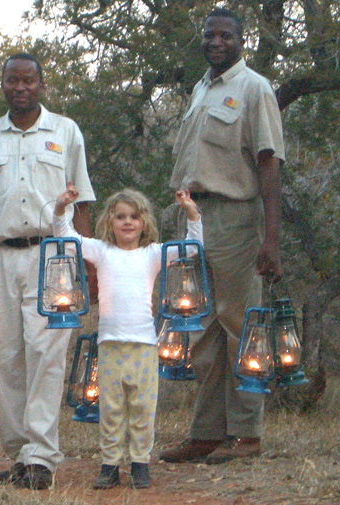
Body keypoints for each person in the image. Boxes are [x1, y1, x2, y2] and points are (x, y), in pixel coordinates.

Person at [0, 52, 95, 490]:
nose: (20, 88)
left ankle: (41, 457)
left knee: (46, 352)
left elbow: (82, 202)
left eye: (28, 80)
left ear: (41, 84)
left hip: (53, 255)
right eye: (12, 80)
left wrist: (86, 261)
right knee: (5, 355)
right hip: (0, 257)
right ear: (2, 85)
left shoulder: (66, 132)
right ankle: (18, 453)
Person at [162, 7, 285, 465]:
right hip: (193, 217)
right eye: (209, 34)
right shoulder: (200, 88)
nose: (216, 41)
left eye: (225, 35)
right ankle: (207, 432)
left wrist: (270, 239)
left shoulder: (255, 88)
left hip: (234, 217)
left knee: (240, 325)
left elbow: (269, 164)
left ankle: (247, 433)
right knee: (200, 329)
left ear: (241, 39)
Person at [53, 183, 202, 489]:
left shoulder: (153, 254)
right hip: (110, 344)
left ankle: (139, 463)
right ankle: (109, 465)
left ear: (144, 221)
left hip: (144, 346)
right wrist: (61, 209)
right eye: (120, 217)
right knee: (111, 408)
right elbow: (68, 240)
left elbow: (193, 247)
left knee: (142, 408)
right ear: (110, 222)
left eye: (134, 216)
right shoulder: (102, 251)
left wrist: (192, 214)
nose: (127, 222)